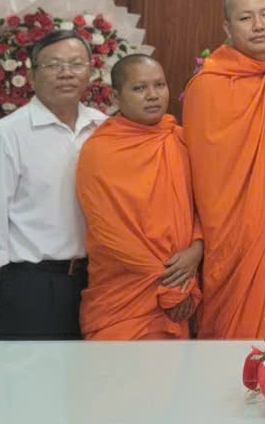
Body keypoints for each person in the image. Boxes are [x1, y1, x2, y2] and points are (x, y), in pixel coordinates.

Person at [0, 30, 106, 339]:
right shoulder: (6, 135)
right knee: (30, 370)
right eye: (54, 65)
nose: (66, 73)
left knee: (93, 368)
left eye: (76, 64)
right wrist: (9, 286)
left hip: (98, 280)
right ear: (31, 75)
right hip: (33, 284)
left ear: (90, 71)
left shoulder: (104, 128)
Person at [183, 0, 265, 339]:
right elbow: (196, 176)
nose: (258, 25)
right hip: (229, 235)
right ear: (227, 27)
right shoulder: (206, 87)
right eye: (246, 18)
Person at [76, 54, 202, 340]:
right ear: (115, 96)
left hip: (183, 278)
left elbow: (203, 207)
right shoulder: (99, 151)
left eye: (159, 85)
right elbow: (108, 232)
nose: (153, 95)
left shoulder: (180, 139)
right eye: (139, 88)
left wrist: (196, 250)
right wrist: (169, 282)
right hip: (127, 292)